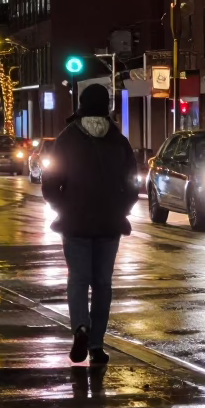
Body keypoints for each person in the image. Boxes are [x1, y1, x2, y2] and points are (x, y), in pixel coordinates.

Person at [41, 84, 139, 366]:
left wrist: (64, 207)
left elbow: (50, 184)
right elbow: (132, 183)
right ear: (106, 105)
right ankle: (96, 345)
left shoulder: (67, 138)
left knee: (78, 279)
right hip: (110, 223)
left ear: (81, 105)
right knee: (103, 284)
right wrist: (122, 208)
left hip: (75, 224)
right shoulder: (118, 140)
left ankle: (80, 327)